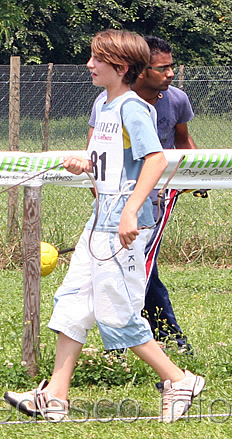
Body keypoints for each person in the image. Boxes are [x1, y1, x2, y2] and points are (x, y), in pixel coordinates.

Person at [4, 30, 205, 423]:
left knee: (117, 312)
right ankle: (55, 397)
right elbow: (116, 161)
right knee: (73, 301)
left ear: (121, 67)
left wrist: (131, 212)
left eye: (97, 59)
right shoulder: (105, 104)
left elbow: (155, 161)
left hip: (120, 226)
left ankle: (178, 379)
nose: (89, 65)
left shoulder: (132, 107)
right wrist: (86, 164)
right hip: (99, 222)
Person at [89, 35, 198, 353]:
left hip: (155, 199)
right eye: (162, 68)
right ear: (140, 70)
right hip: (116, 203)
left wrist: (201, 177)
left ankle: (138, 345)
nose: (170, 73)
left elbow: (179, 145)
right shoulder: (110, 103)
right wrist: (101, 195)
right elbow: (96, 151)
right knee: (134, 268)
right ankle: (166, 336)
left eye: (171, 66)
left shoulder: (175, 99)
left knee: (139, 267)